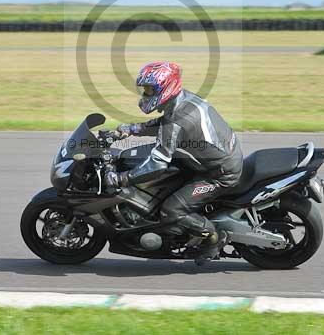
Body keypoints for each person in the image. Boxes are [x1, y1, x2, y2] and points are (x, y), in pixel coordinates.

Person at [102, 61, 243, 265]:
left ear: (166, 88)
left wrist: (121, 179)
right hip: (212, 158)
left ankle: (212, 238)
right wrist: (130, 129)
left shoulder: (177, 121)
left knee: (171, 210)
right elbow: (163, 125)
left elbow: (158, 163)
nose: (146, 94)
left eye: (150, 90)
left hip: (219, 174)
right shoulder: (182, 100)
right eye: (145, 90)